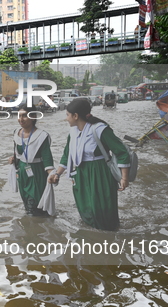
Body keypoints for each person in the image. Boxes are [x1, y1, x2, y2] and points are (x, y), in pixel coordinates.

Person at [48, 98, 130, 231]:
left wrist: (124, 178)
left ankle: (108, 239)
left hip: (100, 173)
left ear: (75, 116)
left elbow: (122, 152)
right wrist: (57, 173)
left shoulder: (100, 129)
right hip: (81, 174)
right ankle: (90, 240)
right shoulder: (73, 132)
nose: (66, 119)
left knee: (103, 210)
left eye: (67, 115)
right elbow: (67, 155)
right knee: (85, 207)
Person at [8, 104, 55, 215]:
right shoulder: (16, 133)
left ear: (33, 116)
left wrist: (52, 174)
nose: (21, 119)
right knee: (26, 204)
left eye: (24, 116)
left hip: (36, 174)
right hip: (22, 174)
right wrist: (13, 159)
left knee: (34, 207)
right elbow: (18, 153)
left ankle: (35, 228)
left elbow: (47, 159)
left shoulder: (42, 136)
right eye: (19, 116)